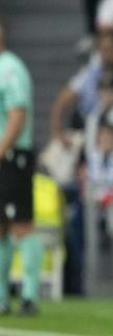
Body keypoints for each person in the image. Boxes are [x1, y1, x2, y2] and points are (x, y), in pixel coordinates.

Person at [0, 20, 43, 315]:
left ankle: (29, 295)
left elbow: (18, 115)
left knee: (21, 225)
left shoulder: (10, 69)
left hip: (13, 157)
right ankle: (2, 297)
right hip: (5, 156)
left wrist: (1, 150)